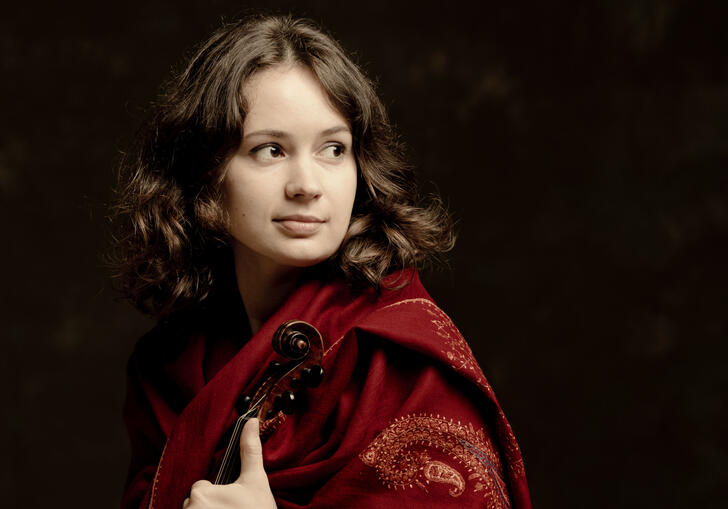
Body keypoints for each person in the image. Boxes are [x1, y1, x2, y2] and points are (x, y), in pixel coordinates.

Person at [112, 14, 532, 509]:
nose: (307, 185)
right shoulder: (169, 367)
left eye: (334, 149)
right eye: (270, 150)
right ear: (206, 177)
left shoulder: (405, 368)